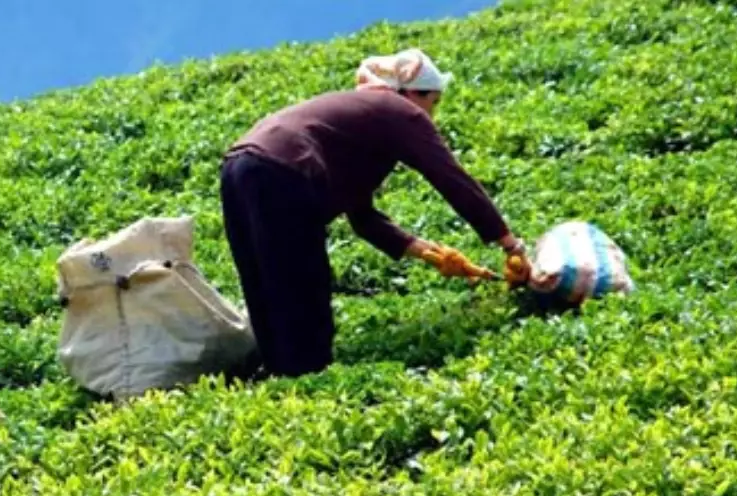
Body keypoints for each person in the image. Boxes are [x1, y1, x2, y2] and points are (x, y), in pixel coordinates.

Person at [219, 47, 532, 378]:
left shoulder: (364, 119)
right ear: (411, 94)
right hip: (284, 172)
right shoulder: (399, 111)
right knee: (304, 285)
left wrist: (433, 255)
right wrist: (509, 243)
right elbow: (451, 178)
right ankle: (307, 380)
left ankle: (279, 374)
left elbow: (364, 219)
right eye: (433, 102)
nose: (431, 115)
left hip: (237, 167)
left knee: (264, 281)